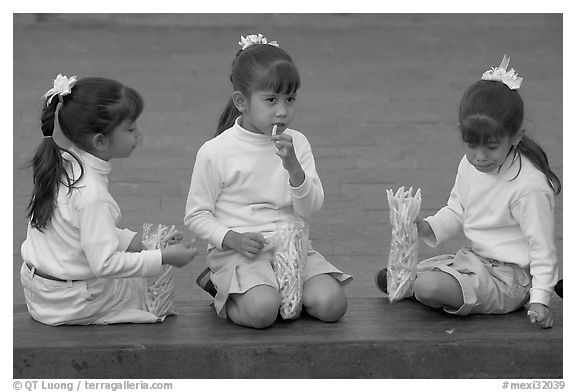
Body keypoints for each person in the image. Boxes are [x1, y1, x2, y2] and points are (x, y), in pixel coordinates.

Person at [376, 55, 561, 328]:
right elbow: (457, 210)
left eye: (491, 147)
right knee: (415, 277)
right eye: (471, 144)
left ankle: (418, 285)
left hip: (511, 280)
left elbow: (542, 248)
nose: (479, 156)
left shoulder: (529, 186)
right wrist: (424, 226)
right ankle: (417, 282)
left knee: (428, 286)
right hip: (474, 261)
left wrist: (540, 298)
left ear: (516, 137)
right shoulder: (470, 164)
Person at [185, 34, 351, 329]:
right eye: (271, 100)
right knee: (263, 312)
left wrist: (293, 169)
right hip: (240, 252)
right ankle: (221, 286)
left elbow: (310, 209)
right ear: (242, 102)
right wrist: (231, 237)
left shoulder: (297, 143)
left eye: (290, 99)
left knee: (333, 305)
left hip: (292, 249)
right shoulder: (216, 151)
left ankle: (272, 289)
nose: (283, 110)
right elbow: (196, 215)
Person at [20, 75, 198, 326]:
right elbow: (106, 264)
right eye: (130, 128)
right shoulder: (93, 195)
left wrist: (140, 242)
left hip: (41, 292)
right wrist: (164, 257)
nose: (139, 133)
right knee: (148, 290)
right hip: (70, 303)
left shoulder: (61, 164)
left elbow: (82, 230)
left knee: (134, 273)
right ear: (100, 140)